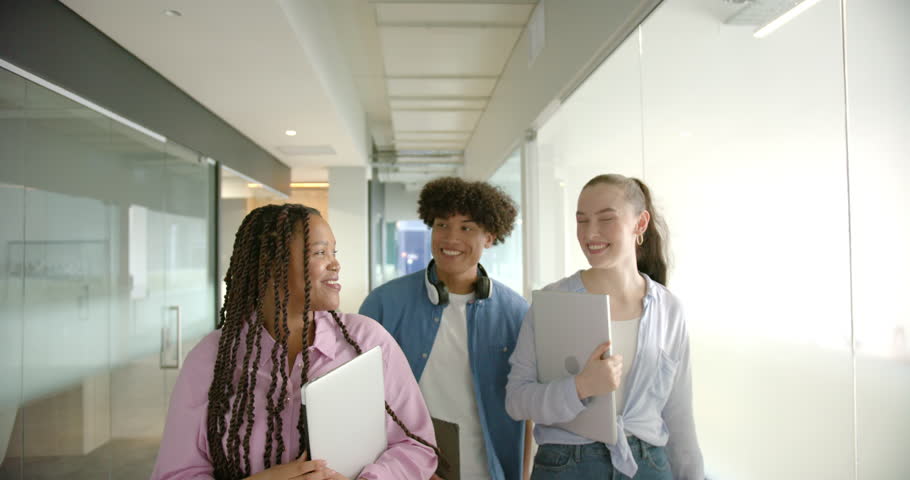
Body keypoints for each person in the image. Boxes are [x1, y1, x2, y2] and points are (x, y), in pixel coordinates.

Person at [152, 204, 438, 480]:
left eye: (333, 252)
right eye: (320, 252)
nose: (335, 263)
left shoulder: (367, 342)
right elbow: (176, 472)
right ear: (271, 262)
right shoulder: (211, 358)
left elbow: (417, 446)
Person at [505, 174, 704, 479]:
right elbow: (517, 401)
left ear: (640, 224)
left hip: (650, 466)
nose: (590, 233)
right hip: (567, 466)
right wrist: (580, 387)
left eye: (606, 219)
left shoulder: (668, 309)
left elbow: (678, 416)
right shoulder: (552, 302)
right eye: (581, 220)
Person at [359, 177, 530, 480]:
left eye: (466, 228)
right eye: (441, 225)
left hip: (489, 470)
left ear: (489, 237)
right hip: (407, 471)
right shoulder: (383, 304)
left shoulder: (517, 313)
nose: (450, 238)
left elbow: (527, 408)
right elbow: (362, 400)